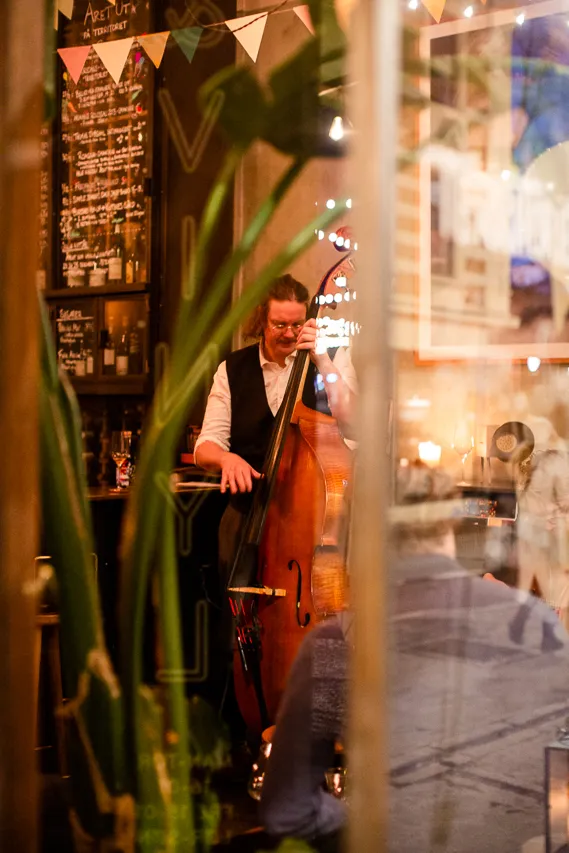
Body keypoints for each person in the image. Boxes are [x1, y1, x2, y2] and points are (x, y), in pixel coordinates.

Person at [259, 463, 569, 853]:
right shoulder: (534, 621)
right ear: (449, 530)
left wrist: (364, 820)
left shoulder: (336, 643)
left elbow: (287, 811)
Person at [194, 274, 357, 742]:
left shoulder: (329, 358)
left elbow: (351, 418)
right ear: (260, 322)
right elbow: (207, 443)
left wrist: (322, 357)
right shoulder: (233, 369)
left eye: (295, 324)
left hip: (310, 527)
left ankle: (310, 722)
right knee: (241, 625)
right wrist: (226, 459)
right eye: (278, 325)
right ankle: (245, 724)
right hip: (247, 519)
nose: (288, 333)